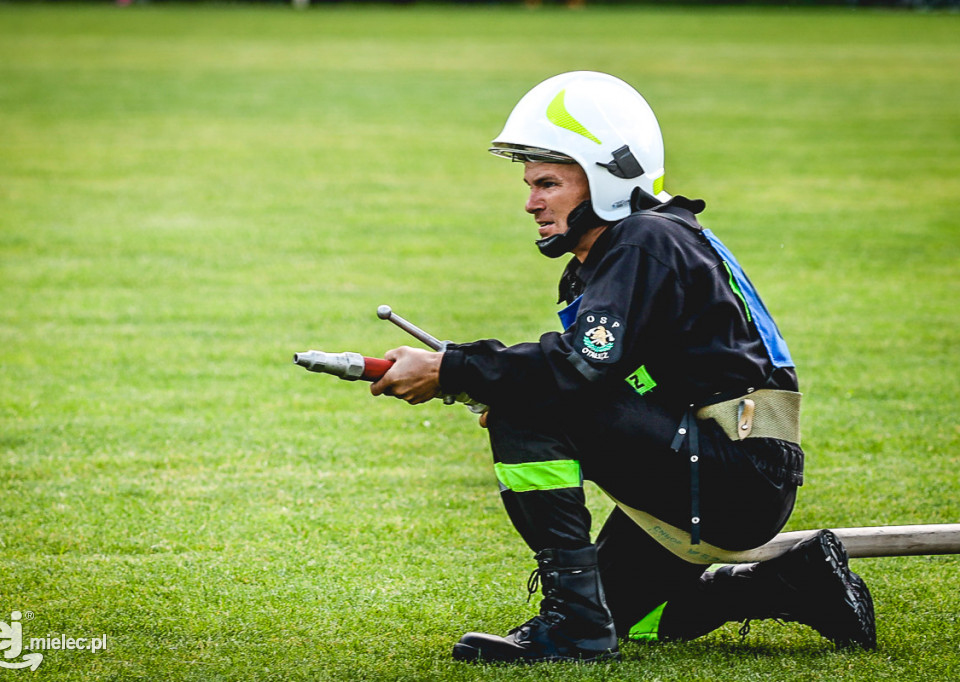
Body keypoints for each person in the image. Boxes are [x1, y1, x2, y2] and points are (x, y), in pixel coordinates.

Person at [369, 71, 876, 664]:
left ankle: (573, 628)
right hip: (728, 465)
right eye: (531, 184)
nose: (531, 201)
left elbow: (579, 368)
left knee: (527, 406)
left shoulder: (642, 240)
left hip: (734, 473)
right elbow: (594, 376)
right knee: (632, 624)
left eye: (549, 183)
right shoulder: (639, 244)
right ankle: (795, 582)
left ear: (609, 176)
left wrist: (455, 370)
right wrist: (482, 378)